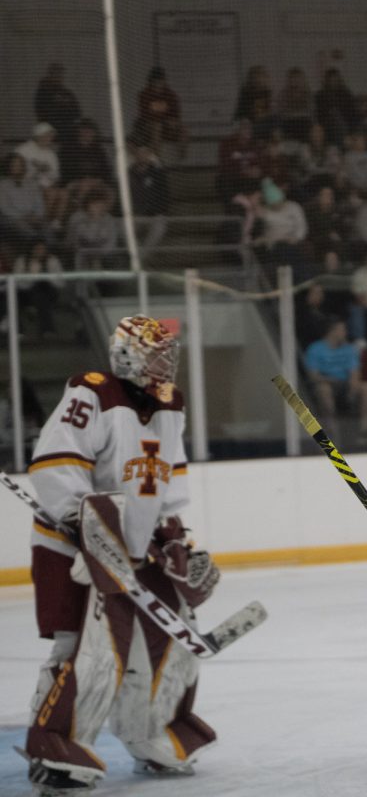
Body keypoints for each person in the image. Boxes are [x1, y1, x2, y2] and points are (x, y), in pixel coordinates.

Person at [21, 315, 219, 795]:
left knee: (172, 639)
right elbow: (56, 465)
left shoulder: (171, 404)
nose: (165, 364)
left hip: (137, 549)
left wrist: (173, 537)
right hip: (72, 545)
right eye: (156, 354)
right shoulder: (92, 392)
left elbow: (169, 477)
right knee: (87, 652)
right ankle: (56, 748)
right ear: (127, 355)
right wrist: (87, 526)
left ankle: (152, 735)